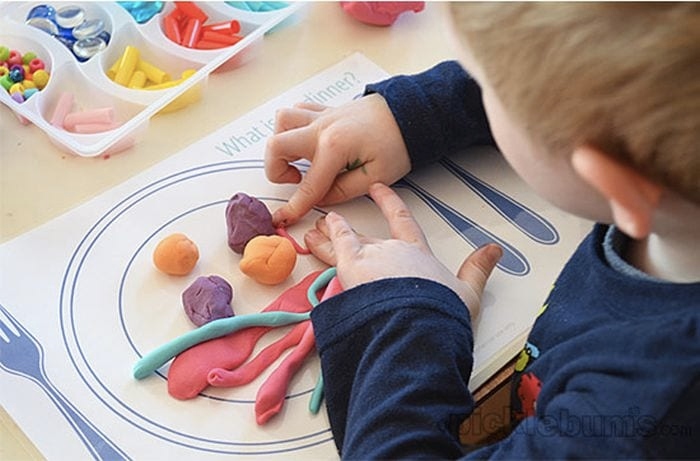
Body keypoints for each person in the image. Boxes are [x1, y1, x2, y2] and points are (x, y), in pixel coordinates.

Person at [264, 3, 699, 458]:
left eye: (485, 86)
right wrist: (412, 116)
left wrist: (408, 314)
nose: (476, 88)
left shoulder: (638, 419)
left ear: (609, 182)